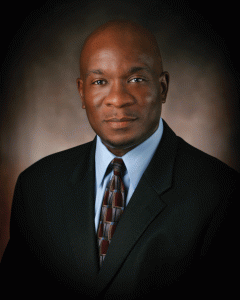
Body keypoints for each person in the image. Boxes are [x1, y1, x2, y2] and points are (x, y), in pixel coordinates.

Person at [1, 19, 239, 299]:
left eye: (136, 80)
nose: (117, 99)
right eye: (100, 82)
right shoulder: (36, 187)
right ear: (82, 92)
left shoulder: (221, 194)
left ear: (162, 88)